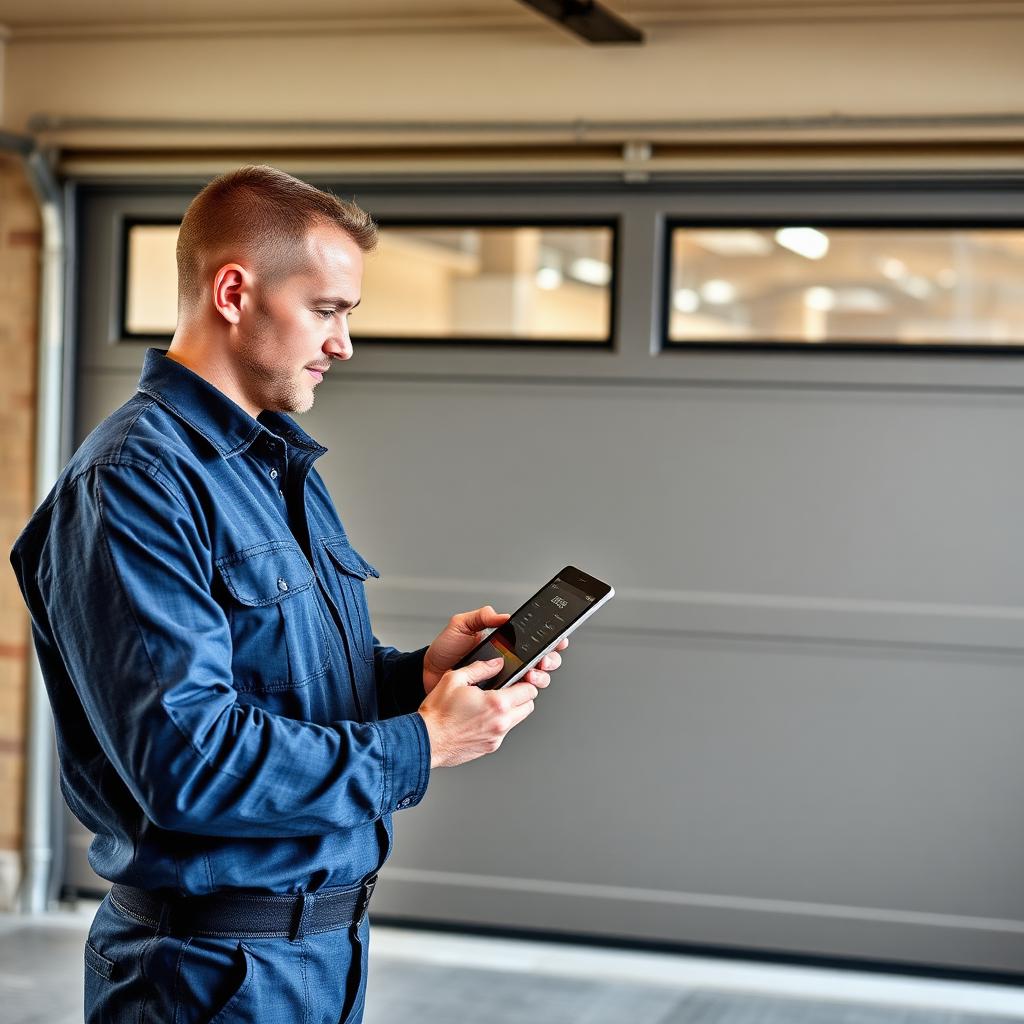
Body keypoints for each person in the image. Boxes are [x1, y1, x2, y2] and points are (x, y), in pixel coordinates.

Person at [9, 165, 568, 1023]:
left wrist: (415, 676)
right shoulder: (134, 485)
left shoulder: (273, 468)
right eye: (328, 310)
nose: (344, 343)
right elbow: (188, 763)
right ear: (235, 290)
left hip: (318, 958)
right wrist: (421, 744)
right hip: (206, 978)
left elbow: (282, 688)